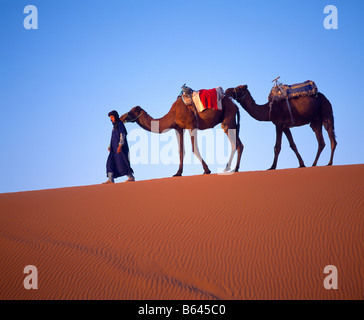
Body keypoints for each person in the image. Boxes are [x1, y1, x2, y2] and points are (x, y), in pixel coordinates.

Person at [104, 110, 135, 183]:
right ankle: (110, 179)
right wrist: (110, 145)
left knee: (122, 162)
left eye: (112, 117)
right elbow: (113, 137)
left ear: (115, 116)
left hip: (120, 148)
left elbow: (122, 134)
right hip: (113, 148)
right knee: (110, 162)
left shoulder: (120, 124)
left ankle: (131, 177)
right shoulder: (114, 126)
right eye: (110, 117)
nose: (111, 119)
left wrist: (120, 145)